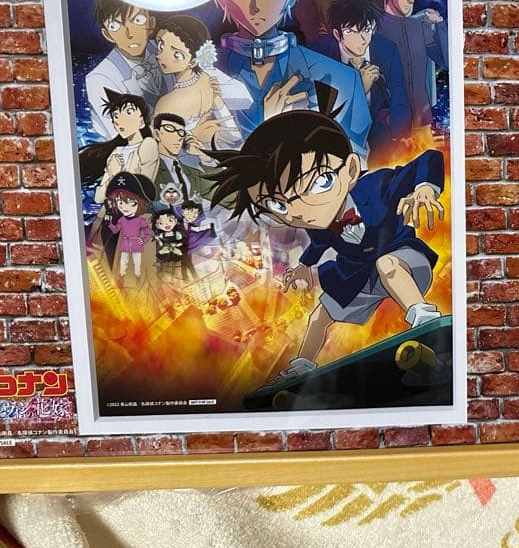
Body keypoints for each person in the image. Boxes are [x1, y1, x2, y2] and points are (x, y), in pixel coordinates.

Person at [205, 82, 447, 385]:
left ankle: (421, 315)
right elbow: (318, 244)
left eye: (319, 183)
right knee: (320, 315)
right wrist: (303, 267)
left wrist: (425, 189)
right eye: (278, 204)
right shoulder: (315, 224)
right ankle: (302, 365)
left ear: (350, 171)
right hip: (359, 272)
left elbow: (428, 160)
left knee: (388, 264)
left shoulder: (375, 186)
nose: (299, 211)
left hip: (403, 258)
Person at [214, 0, 373, 167]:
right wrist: (263, 128)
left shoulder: (341, 79)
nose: (255, 5)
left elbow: (352, 170)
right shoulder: (202, 75)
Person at [309, 0, 410, 158]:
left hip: (379, 140)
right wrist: (358, 90)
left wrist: (400, 137)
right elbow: (319, 111)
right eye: (350, 31)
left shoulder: (387, 50)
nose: (362, 39)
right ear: (337, 34)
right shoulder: (318, 54)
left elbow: (399, 96)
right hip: (336, 140)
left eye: (367, 30)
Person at [153, 14, 250, 154]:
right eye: (161, 46)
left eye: (176, 54)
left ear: (193, 61)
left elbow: (161, 149)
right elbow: (234, 135)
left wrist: (194, 138)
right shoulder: (208, 80)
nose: (160, 56)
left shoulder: (167, 103)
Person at [377, 0, 449, 132]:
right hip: (389, 123)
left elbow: (445, 62)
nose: (410, 0)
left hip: (421, 120)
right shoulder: (375, 28)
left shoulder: (419, 27)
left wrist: (440, 24)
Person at [83, 0, 160, 142]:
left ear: (151, 22)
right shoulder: (99, 79)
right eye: (115, 26)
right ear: (107, 34)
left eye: (138, 20)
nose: (130, 34)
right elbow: (124, 138)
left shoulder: (166, 49)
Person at [78, 90, 158, 204]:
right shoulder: (116, 152)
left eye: (129, 112)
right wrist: (113, 174)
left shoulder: (148, 145)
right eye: (116, 116)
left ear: (142, 121)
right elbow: (99, 198)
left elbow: (143, 191)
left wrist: (116, 173)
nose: (120, 120)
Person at [150, 112, 218, 204]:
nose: (178, 137)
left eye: (181, 132)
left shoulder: (193, 174)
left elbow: (226, 195)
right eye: (170, 129)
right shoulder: (151, 169)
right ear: (157, 134)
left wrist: (204, 156)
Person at [102, 172, 154, 284]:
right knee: (122, 263)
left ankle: (137, 279)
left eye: (131, 203)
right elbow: (114, 231)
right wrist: (109, 223)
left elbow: (148, 233)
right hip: (124, 245)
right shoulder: (120, 219)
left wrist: (143, 240)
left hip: (136, 245)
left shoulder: (142, 220)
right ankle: (121, 278)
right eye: (120, 203)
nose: (124, 207)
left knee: (137, 263)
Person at [151, 209, 185, 280]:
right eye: (161, 223)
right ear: (157, 225)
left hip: (174, 249)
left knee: (175, 262)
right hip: (166, 248)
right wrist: (158, 239)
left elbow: (182, 240)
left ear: (176, 221)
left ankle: (174, 274)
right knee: (165, 260)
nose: (166, 224)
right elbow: (160, 243)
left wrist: (178, 244)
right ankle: (163, 271)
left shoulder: (177, 233)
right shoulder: (162, 234)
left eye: (170, 221)